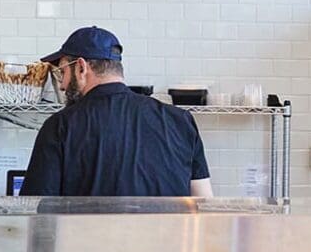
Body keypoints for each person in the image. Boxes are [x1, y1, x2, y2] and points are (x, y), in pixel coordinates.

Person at [20, 27, 213, 198]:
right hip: (167, 239)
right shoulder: (179, 120)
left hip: (87, 239)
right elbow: (204, 203)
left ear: (81, 67)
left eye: (62, 72)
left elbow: (37, 211)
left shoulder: (60, 126)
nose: (61, 85)